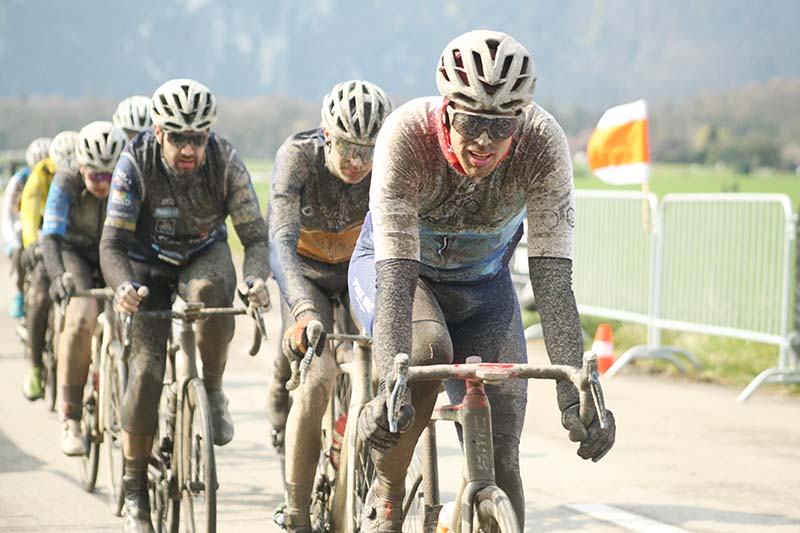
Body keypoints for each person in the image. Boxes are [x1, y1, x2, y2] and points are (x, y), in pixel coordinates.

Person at [347, 30, 617, 531]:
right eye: (471, 122)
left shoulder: (542, 143)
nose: (485, 142)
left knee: (502, 454)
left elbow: (553, 281)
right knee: (425, 350)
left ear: (521, 119)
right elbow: (398, 279)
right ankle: (385, 498)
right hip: (405, 274)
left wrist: (576, 394)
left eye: (501, 126)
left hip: (484, 289)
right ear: (447, 111)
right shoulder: (407, 136)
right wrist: (388, 386)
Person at [99, 78, 271, 533]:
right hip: (146, 263)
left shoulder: (225, 160)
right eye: (178, 138)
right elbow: (112, 244)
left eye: (198, 138)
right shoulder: (134, 162)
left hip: (203, 253)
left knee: (212, 296)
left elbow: (255, 237)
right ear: (158, 132)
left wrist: (255, 279)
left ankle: (211, 389)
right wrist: (122, 286)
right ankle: (135, 490)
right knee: (146, 370)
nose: (189, 149)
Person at [267, 80, 393, 532]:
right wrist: (302, 309)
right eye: (347, 148)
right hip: (309, 275)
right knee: (317, 378)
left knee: (382, 369)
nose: (357, 162)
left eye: (368, 150)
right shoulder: (296, 157)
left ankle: (360, 462)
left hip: (359, 270)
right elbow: (279, 242)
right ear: (326, 136)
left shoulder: (390, 162)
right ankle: (297, 508)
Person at [41, 121, 127, 454]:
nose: (103, 183)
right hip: (74, 252)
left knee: (133, 314)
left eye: (110, 175)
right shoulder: (65, 179)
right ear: (80, 166)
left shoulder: (130, 176)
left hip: (113, 250)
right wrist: (57, 275)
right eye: (95, 175)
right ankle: (71, 416)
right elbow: (51, 236)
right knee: (80, 318)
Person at [19, 131, 77, 400]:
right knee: (39, 297)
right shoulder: (41, 175)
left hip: (77, 245)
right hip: (47, 242)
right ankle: (34, 366)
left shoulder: (86, 174)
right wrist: (31, 243)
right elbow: (29, 213)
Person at [2, 137, 51, 319]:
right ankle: (20, 293)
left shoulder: (56, 179)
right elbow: (7, 215)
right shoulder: (19, 180)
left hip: (45, 229)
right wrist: (13, 241)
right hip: (22, 229)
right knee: (19, 255)